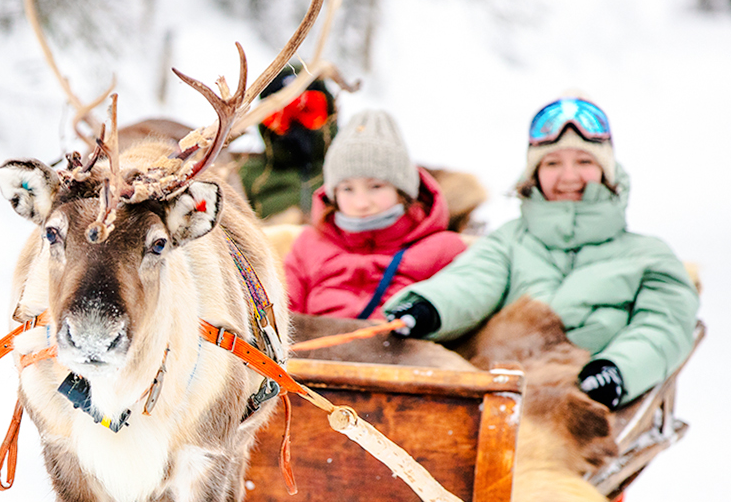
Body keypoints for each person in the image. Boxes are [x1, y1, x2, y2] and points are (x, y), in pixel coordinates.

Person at [384, 96, 698, 409]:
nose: (569, 177)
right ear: (534, 173)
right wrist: (429, 307)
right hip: (498, 394)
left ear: (607, 171)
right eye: (552, 163)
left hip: (579, 403)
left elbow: (663, 326)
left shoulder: (649, 257)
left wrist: (617, 369)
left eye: (585, 162)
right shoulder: (508, 241)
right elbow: (471, 282)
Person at [284, 110, 469, 320]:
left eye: (376, 186)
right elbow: (283, 312)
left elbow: (461, 306)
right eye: (347, 189)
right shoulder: (308, 246)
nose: (361, 203)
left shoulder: (444, 250)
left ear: (402, 191)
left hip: (404, 350)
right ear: (333, 195)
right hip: (314, 349)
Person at [240, 64, 337, 221]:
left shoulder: (349, 177)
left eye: (308, 110)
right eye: (280, 116)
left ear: (330, 113)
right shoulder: (244, 179)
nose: (296, 127)